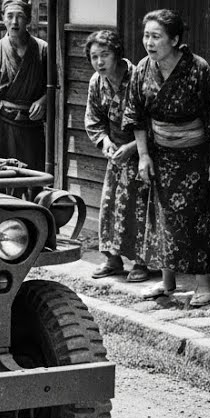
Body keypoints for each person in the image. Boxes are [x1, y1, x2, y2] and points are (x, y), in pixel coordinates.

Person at [124, 9, 210, 307]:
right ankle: (167, 281)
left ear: (174, 39)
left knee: (197, 218)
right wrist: (144, 155)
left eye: (156, 36)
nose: (149, 42)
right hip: (160, 154)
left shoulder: (198, 69)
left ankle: (204, 285)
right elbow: (135, 115)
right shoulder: (142, 69)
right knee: (161, 216)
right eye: (146, 35)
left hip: (195, 156)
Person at [84, 29, 154, 283]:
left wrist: (134, 147)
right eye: (94, 57)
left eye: (105, 55)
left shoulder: (139, 77)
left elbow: (154, 120)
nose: (99, 62)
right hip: (116, 151)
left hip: (143, 149)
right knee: (110, 204)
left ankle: (141, 261)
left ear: (117, 55)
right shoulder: (96, 82)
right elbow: (93, 119)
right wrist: (105, 143)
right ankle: (112, 259)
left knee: (139, 207)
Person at [0, 0, 48, 171]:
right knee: (2, 177)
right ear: (3, 18)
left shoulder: (42, 50)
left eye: (20, 16)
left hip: (32, 128)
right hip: (4, 127)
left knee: (33, 178)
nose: (15, 22)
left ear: (28, 19)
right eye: (10, 16)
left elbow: (55, 86)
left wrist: (43, 101)